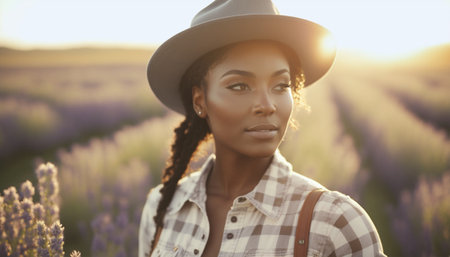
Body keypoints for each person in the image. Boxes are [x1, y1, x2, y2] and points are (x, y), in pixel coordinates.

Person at [139, 0, 386, 256]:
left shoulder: (335, 222)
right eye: (239, 86)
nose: (267, 106)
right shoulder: (162, 206)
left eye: (281, 86)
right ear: (200, 101)